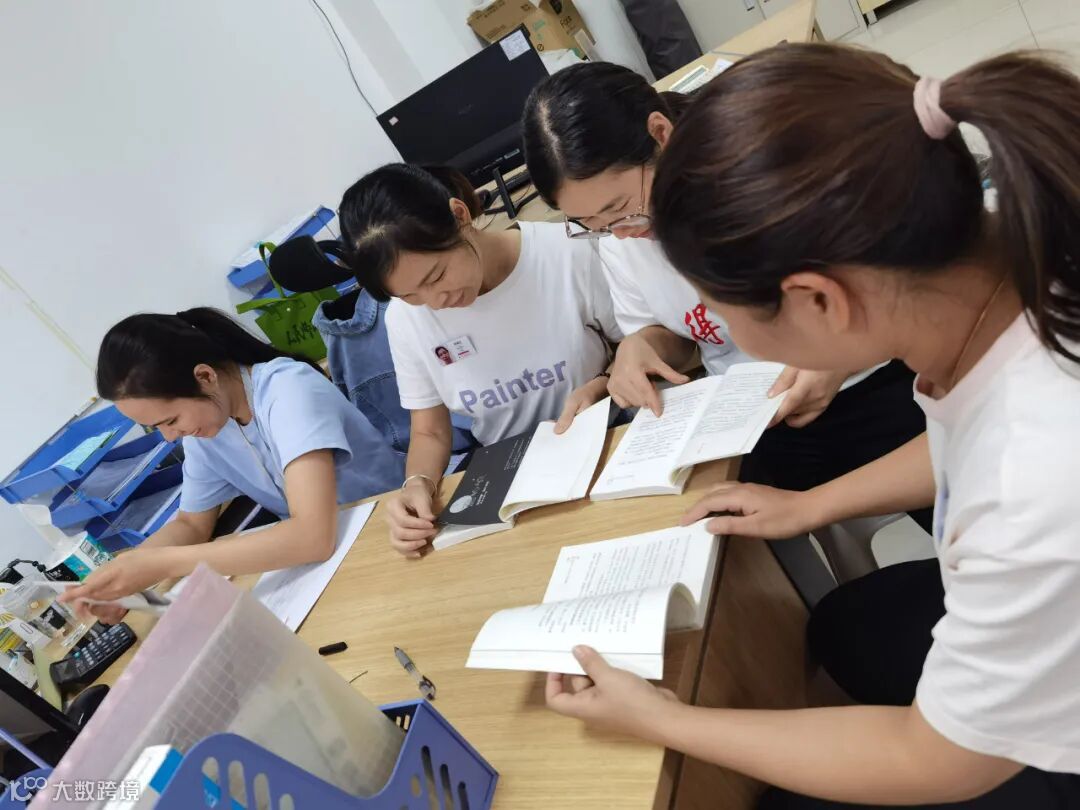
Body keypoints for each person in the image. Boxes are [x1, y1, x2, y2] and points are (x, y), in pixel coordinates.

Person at [545, 45, 1080, 808]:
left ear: (819, 301)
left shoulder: (1032, 473)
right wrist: (810, 506)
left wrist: (662, 718)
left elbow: (928, 758)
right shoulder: (1005, 274)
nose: (714, 333)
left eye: (719, 311)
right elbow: (958, 447)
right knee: (845, 628)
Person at [521, 61, 931, 508]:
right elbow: (690, 333)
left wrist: (842, 355)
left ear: (661, 134)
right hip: (750, 417)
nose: (618, 232)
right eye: (590, 223)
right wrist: (642, 346)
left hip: (873, 378)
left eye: (619, 206)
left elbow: (909, 268)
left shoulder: (763, 164)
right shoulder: (621, 239)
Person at [338, 163, 621, 558]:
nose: (435, 302)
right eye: (411, 295)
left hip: (609, 445)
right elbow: (430, 432)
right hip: (512, 484)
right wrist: (417, 483)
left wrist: (603, 382)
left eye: (436, 276)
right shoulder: (405, 320)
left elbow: (641, 344)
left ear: (460, 216)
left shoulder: (565, 253)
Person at [60, 308, 405, 621]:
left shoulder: (287, 390)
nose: (169, 436)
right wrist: (121, 575)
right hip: (334, 559)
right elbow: (191, 524)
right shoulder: (207, 430)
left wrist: (162, 563)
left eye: (171, 420)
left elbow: (312, 536)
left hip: (391, 527)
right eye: (157, 427)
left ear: (205, 376)